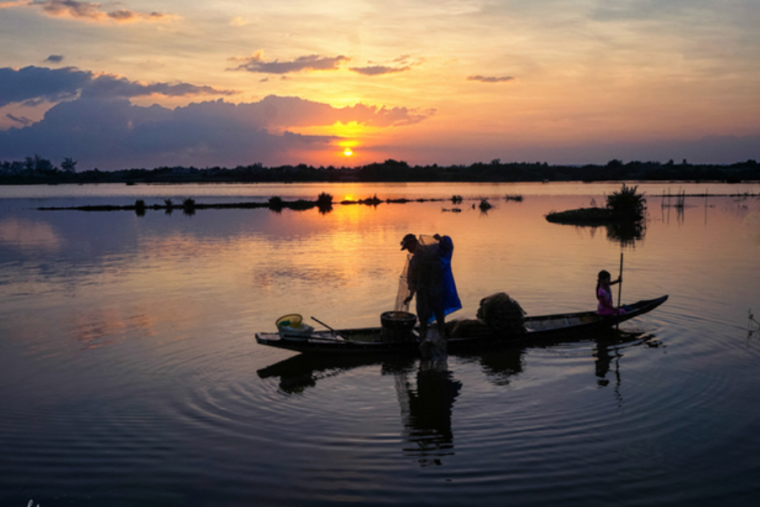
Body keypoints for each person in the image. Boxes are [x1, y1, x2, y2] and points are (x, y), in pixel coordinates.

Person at [400, 233, 461, 343]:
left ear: (414, 243)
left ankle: (442, 337)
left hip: (436, 289)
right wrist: (410, 295)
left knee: (439, 314)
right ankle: (423, 338)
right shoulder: (413, 260)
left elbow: (447, 247)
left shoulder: (432, 249)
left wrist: (441, 239)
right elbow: (412, 280)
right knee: (423, 316)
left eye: (408, 247)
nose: (408, 250)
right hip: (422, 292)